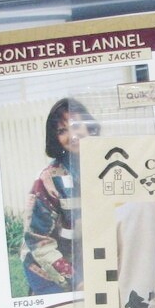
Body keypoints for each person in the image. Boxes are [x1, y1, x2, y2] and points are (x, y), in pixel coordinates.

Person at [22, 98, 99, 294]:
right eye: (62, 131)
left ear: (89, 125)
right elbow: (38, 242)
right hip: (48, 268)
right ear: (55, 139)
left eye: (76, 125)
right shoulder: (49, 181)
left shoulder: (106, 164)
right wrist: (77, 281)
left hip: (90, 260)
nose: (72, 135)